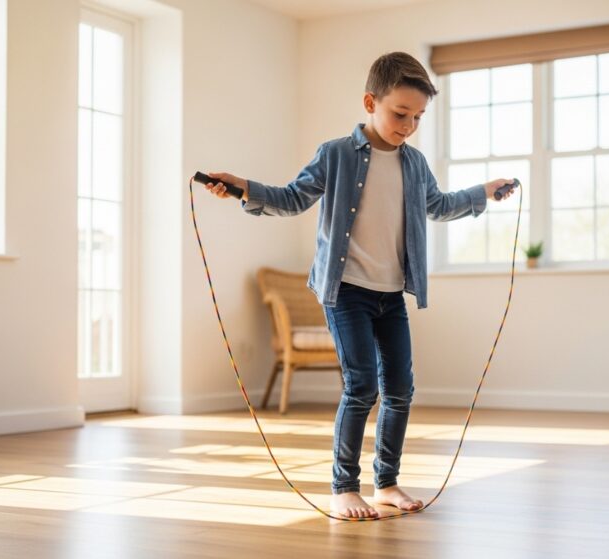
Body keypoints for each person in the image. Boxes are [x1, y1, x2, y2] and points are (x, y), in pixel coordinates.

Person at [201, 51, 516, 519]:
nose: (408, 125)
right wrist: (243, 187)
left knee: (401, 389)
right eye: (400, 114)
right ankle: (344, 486)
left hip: (391, 294)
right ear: (371, 101)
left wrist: (484, 192)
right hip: (345, 291)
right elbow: (291, 198)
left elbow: (441, 204)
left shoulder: (415, 164)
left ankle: (386, 483)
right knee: (362, 384)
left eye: (418, 117)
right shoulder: (335, 155)